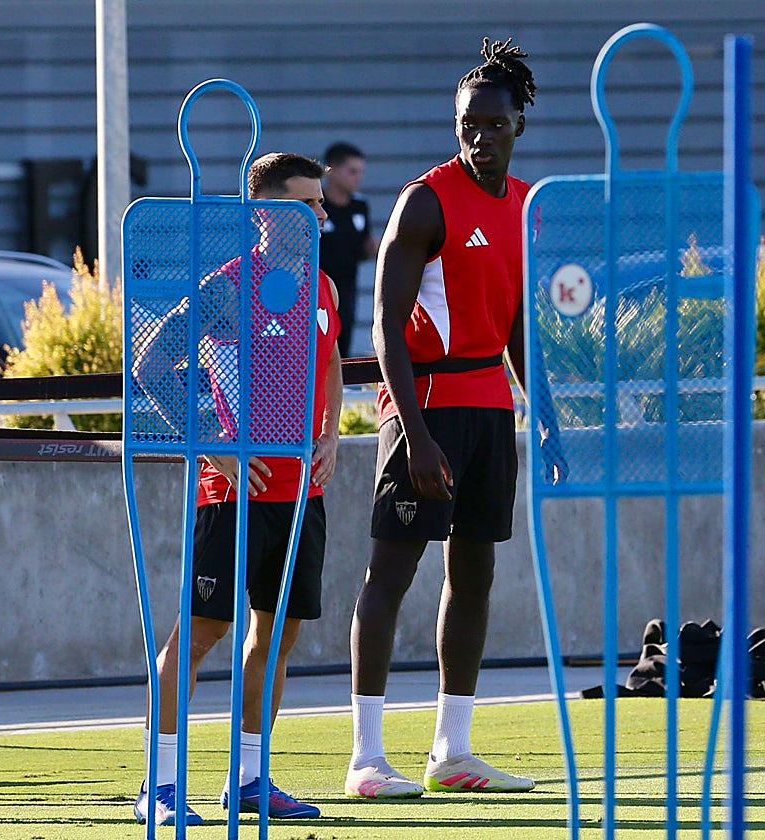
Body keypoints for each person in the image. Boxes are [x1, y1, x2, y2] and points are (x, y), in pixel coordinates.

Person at [344, 38, 561, 800]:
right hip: (425, 410)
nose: (480, 138)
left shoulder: (528, 206)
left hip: (491, 411)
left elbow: (519, 324)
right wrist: (416, 437)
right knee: (391, 573)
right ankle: (367, 757)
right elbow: (383, 327)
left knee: (473, 577)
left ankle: (453, 751)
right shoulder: (425, 201)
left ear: (518, 125)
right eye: (469, 125)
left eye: (494, 125)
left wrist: (545, 414)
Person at [131, 153, 343, 825]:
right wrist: (211, 446)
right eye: (305, 205)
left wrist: (332, 432)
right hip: (232, 496)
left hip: (300, 495)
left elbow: (331, 360)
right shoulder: (227, 287)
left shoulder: (323, 285)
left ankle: (250, 778)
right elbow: (151, 364)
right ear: (264, 214)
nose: (319, 215)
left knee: (276, 639)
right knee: (199, 636)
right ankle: (160, 787)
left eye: (320, 203)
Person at [319, 141, 378, 358]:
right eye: (352, 171)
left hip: (348, 289)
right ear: (332, 170)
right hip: (319, 289)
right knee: (320, 343)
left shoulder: (359, 206)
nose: (358, 178)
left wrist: (375, 249)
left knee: (343, 345)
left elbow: (362, 247)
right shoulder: (318, 206)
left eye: (361, 172)